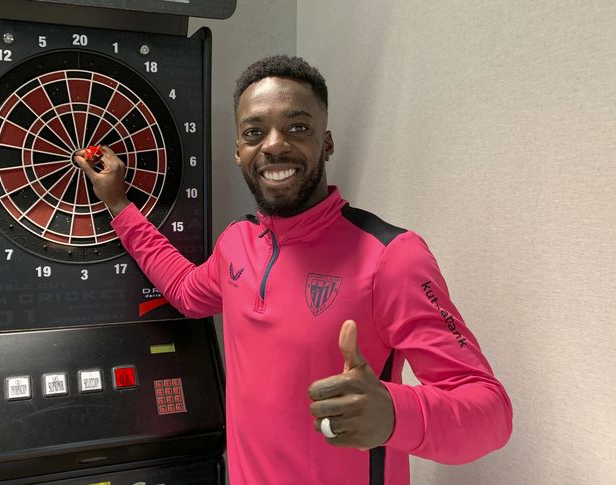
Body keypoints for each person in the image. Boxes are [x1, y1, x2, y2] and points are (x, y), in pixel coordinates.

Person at [74, 55, 512, 485]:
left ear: (326, 142)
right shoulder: (236, 244)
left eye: (297, 127)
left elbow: (490, 413)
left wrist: (397, 413)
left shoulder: (391, 256)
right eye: (254, 132)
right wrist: (118, 203)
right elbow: (188, 293)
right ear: (238, 150)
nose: (274, 144)